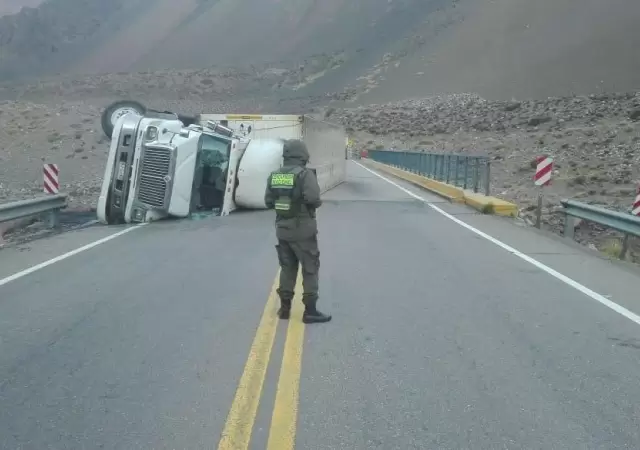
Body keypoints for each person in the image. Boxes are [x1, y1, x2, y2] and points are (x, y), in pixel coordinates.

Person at [264, 139, 332, 324]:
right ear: (302, 155)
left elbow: (268, 202)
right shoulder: (305, 174)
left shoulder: (275, 175)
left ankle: (285, 309)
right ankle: (310, 311)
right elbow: (313, 199)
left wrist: (285, 203)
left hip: (282, 229)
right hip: (303, 231)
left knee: (287, 268)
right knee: (310, 268)